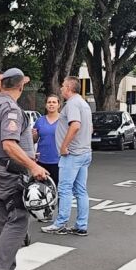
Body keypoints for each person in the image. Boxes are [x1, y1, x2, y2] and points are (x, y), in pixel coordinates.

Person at [0, 68, 47, 270]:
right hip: (10, 172)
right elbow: (9, 144)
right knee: (19, 221)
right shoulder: (10, 108)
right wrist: (33, 166)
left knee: (3, 221)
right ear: (20, 86)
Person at [41, 76, 93, 236]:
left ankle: (60, 223)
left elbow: (75, 125)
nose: (61, 88)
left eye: (63, 86)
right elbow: (89, 128)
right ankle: (81, 225)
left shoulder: (72, 104)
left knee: (64, 189)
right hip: (84, 152)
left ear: (70, 87)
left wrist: (64, 146)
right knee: (81, 190)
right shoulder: (84, 104)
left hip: (72, 154)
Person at [33, 94, 61, 185]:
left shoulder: (63, 120)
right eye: (49, 102)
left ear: (58, 105)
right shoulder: (39, 120)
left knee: (58, 188)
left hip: (58, 160)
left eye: (54, 102)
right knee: (42, 188)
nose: (51, 104)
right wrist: (34, 135)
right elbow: (34, 140)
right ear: (45, 105)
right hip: (42, 160)